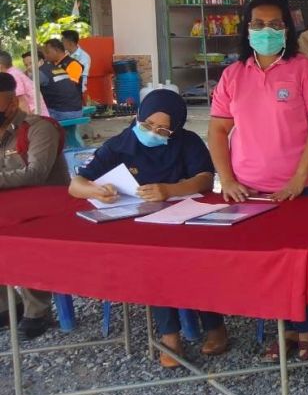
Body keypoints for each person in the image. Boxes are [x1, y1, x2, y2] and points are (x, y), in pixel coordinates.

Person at [208, 0, 308, 361]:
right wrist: (227, 179)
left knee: (302, 263)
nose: (267, 31)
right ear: (246, 29)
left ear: (287, 29)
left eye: (275, 24)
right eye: (258, 24)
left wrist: (298, 178)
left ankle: (307, 332)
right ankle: (282, 332)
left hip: (302, 188)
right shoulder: (233, 75)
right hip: (249, 191)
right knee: (267, 266)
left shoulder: (304, 69)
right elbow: (217, 131)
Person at [69, 89, 228, 366]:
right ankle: (170, 336)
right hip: (142, 227)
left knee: (196, 262)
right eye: (147, 125)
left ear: (175, 127)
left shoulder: (187, 142)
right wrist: (96, 191)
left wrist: (170, 189)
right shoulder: (120, 144)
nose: (153, 132)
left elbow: (204, 178)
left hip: (186, 222)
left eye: (163, 130)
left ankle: (214, 327)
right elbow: (76, 185)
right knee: (154, 264)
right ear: (139, 117)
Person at [0, 71, 68, 339]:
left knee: (27, 241)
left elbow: (36, 173)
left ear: (12, 103)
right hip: (9, 210)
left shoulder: (39, 128)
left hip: (49, 212)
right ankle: (7, 305)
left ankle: (37, 310)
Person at [38, 38, 84, 122]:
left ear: (56, 50)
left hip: (69, 106)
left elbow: (69, 87)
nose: (46, 56)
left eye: (47, 52)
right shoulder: (51, 65)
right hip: (60, 105)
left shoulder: (73, 64)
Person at [62, 29, 91, 95]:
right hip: (65, 88)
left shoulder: (84, 56)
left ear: (71, 43)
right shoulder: (65, 54)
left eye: (63, 41)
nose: (61, 43)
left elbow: (82, 77)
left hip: (77, 90)